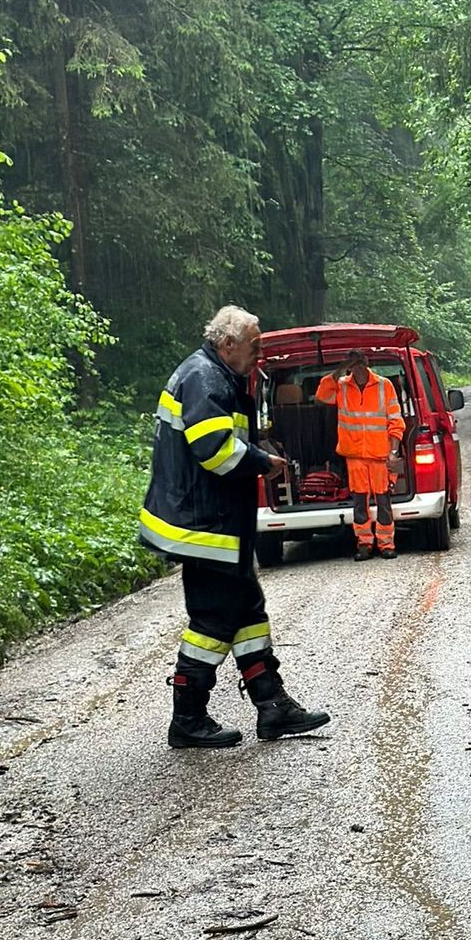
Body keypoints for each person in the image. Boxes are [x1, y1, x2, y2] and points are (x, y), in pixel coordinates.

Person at [140, 306, 332, 748]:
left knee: (247, 610)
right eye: (255, 344)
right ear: (229, 345)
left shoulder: (216, 375)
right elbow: (214, 450)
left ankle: (272, 706)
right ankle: (187, 719)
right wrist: (263, 462)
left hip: (217, 522)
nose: (260, 353)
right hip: (204, 524)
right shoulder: (204, 377)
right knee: (212, 621)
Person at [315, 350, 405, 559]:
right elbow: (321, 396)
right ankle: (364, 544)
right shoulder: (342, 385)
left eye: (359, 362)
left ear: (367, 362)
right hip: (354, 455)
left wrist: (393, 451)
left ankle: (386, 544)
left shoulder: (384, 385)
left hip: (379, 455)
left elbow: (395, 421)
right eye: (352, 363)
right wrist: (340, 368)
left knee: (383, 500)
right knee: (359, 502)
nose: (357, 367)